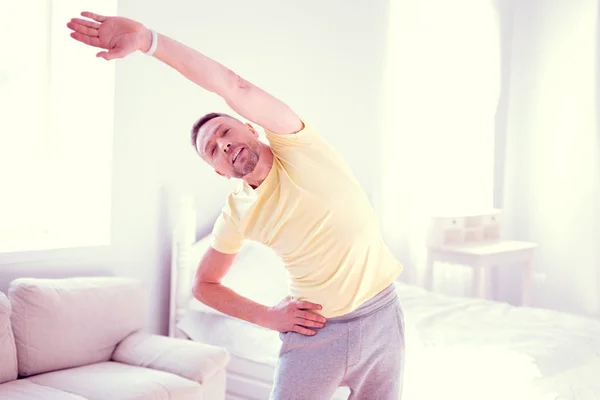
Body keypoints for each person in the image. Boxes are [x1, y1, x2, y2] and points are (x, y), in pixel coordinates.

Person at [67, 11, 405, 400]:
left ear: (251, 128)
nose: (224, 144)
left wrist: (150, 41)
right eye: (213, 149)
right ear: (219, 171)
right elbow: (204, 286)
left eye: (226, 132)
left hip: (381, 317)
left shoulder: (298, 145)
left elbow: (233, 85)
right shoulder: (237, 212)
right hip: (315, 333)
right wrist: (269, 317)